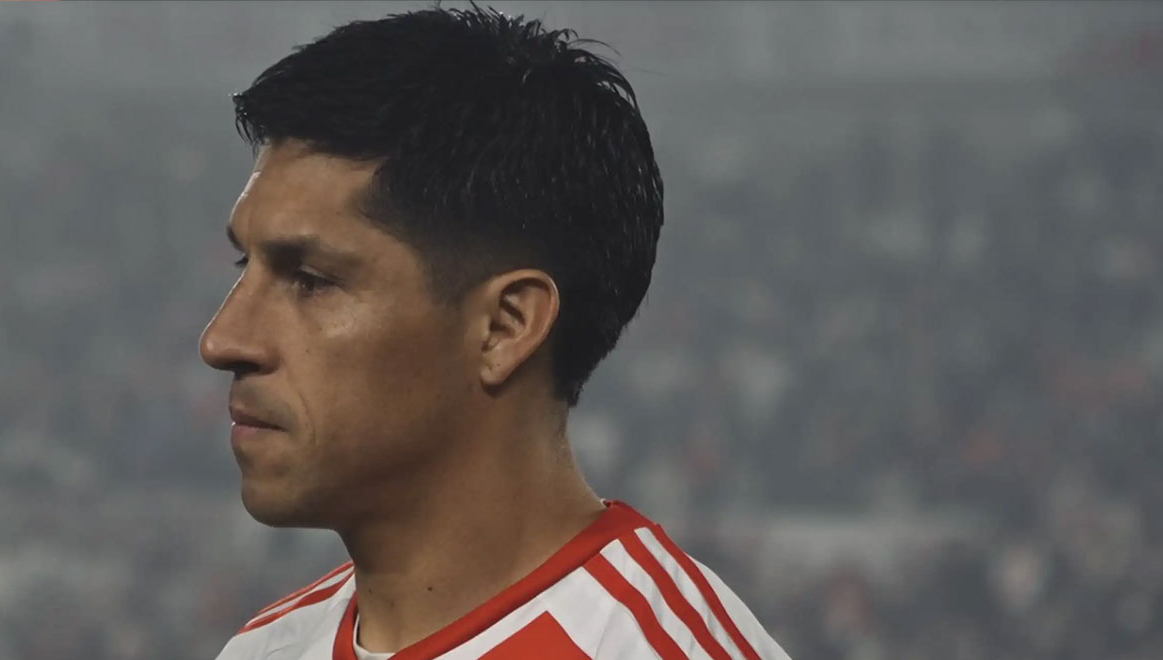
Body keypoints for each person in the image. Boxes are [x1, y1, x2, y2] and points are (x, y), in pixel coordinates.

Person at [199, 6, 791, 659]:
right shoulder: (264, 649)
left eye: (310, 280)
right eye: (244, 265)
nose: (222, 340)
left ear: (505, 327)